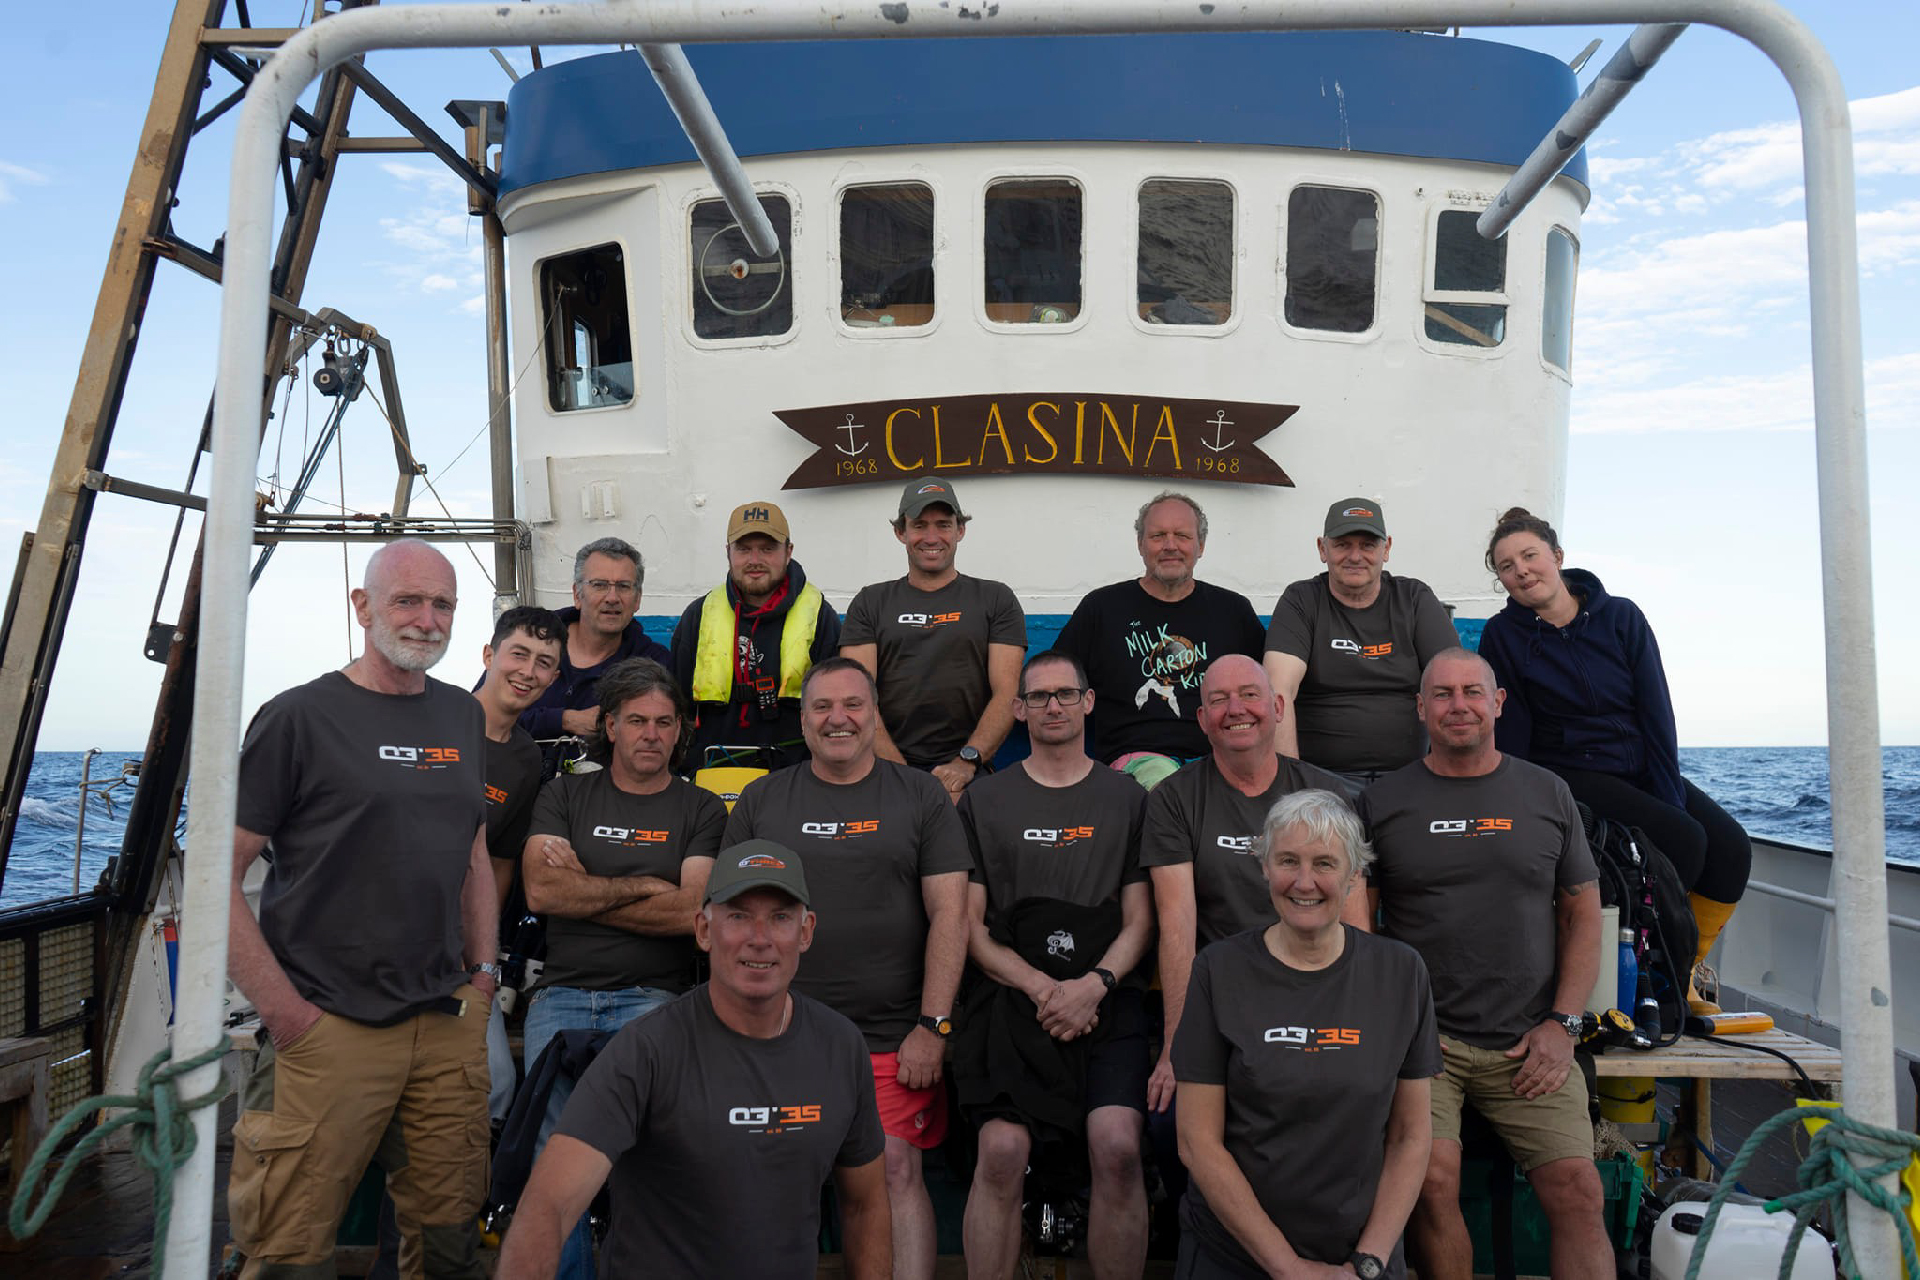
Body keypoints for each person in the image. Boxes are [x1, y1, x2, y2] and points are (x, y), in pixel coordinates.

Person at [225, 538, 495, 1279]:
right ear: (362, 606)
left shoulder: (460, 717)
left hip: (444, 1021)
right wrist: (285, 1015)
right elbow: (216, 876)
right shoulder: (298, 718)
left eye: (442, 604)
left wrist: (483, 976)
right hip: (326, 1027)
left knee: (447, 1241)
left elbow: (472, 856)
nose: (426, 619)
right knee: (288, 1252)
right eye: (408, 599)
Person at [496, 841, 891, 1280]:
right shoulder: (645, 1050)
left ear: (806, 930)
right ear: (703, 929)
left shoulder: (839, 1046)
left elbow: (865, 1204)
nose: (759, 939)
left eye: (780, 917)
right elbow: (548, 1205)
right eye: (738, 915)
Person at [1360, 649, 1610, 1280]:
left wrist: (1564, 1025)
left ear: (1498, 703)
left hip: (1531, 1041)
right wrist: (1390, 1027)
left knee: (1580, 1189)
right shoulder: (1383, 800)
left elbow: (1583, 912)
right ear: (1421, 709)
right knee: (1432, 1183)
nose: (1458, 705)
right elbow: (1356, 922)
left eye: (1473, 691)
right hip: (1424, 1043)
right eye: (1441, 694)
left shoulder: (1547, 792)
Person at [725, 655, 972, 1280]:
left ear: (874, 714)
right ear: (803, 721)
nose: (839, 719)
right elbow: (728, 920)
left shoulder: (920, 794)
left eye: (853, 705)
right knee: (777, 1176)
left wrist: (933, 1026)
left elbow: (951, 913)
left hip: (895, 1036)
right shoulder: (762, 799)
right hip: (780, 1036)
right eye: (822, 708)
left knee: (894, 1168)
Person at [1477, 507, 1751, 1013]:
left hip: (1639, 763)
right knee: (1684, 842)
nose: (1521, 571)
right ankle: (1658, 976)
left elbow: (1656, 711)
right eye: (1506, 566)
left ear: (1557, 557)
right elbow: (1513, 733)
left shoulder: (1621, 615)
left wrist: (1669, 796)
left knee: (1730, 848)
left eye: (1530, 556)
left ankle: (1683, 968)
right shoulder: (1504, 636)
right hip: (1570, 771)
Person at [517, 658, 727, 1280]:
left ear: (680, 731)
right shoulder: (564, 792)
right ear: (610, 726)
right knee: (556, 1164)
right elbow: (541, 894)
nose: (651, 735)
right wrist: (643, 885)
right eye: (636, 720)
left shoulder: (701, 808)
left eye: (664, 723)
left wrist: (588, 884)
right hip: (559, 998)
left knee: (653, 1160)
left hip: (653, 1001)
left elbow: (693, 914)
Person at [1173, 790, 1438, 1280]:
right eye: (1288, 861)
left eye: (1325, 863)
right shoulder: (1218, 970)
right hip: (1234, 1256)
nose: (1304, 882)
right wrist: (1288, 1268)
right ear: (1264, 868)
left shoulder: (1401, 974)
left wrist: (1370, 1262)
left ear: (1355, 874)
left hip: (1360, 1260)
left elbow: (1411, 1136)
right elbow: (1197, 1142)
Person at [955, 650, 1154, 1280]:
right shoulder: (985, 801)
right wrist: (1043, 987)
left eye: (1066, 694)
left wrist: (1093, 987)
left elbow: (1141, 920)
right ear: (1017, 711)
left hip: (1107, 998)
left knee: (1118, 1148)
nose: (1053, 706)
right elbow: (970, 927)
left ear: (1089, 702)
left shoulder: (1127, 798)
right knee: (1000, 1150)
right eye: (1038, 697)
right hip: (1013, 998)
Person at [1141, 654, 1354, 1115]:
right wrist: (1178, 1046)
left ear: (1278, 707)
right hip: (1224, 996)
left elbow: (1354, 927)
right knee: (1172, 1122)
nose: (1235, 709)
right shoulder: (1175, 799)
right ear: (1202, 719)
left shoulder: (1327, 798)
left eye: (1250, 695)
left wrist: (1354, 1026)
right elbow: (1177, 925)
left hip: (1315, 992)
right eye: (1219, 700)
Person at [1056, 491, 1264, 782]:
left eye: (1182, 535)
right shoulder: (1102, 608)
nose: (1170, 546)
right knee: (1164, 782)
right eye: (1158, 536)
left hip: (1220, 759)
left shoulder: (1233, 610)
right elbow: (1054, 683)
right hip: (1135, 765)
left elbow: (1269, 692)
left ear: (1200, 545)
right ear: (1140, 545)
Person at [841, 475, 1026, 802]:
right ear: (901, 532)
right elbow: (856, 697)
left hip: (969, 769)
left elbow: (1007, 692)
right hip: (881, 767)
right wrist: (903, 776)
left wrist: (967, 762)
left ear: (960, 530)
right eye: (919, 525)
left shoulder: (995, 599)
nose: (931, 537)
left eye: (943, 524)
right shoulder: (870, 602)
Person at [1262, 498, 1459, 783]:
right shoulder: (1302, 601)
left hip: (1411, 778)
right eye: (1343, 544)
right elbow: (1278, 691)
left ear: (1386, 548)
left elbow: (1454, 682)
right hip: (1323, 779)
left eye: (1368, 545)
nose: (1355, 556)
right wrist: (1292, 787)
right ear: (1322, 549)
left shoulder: (1414, 599)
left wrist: (1450, 778)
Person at [473, 606, 566, 1121]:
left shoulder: (527, 760)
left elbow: (501, 864)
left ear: (554, 678)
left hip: (462, 958)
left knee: (495, 1087)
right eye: (519, 654)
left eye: (544, 662)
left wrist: (484, 961)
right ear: (489, 655)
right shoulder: (436, 721)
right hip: (389, 947)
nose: (528, 671)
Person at [669, 499, 842, 770]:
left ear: (788, 552)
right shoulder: (698, 615)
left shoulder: (820, 616)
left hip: (795, 776)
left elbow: (835, 710)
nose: (755, 560)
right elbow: (675, 707)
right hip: (711, 773)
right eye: (744, 549)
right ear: (728, 553)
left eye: (767, 549)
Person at [520, 537, 674, 771]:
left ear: (638, 599)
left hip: (607, 801)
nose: (612, 598)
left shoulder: (654, 664)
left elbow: (664, 738)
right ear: (577, 594)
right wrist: (565, 719)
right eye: (599, 585)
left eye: (623, 586)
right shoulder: (528, 643)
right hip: (514, 792)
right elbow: (485, 716)